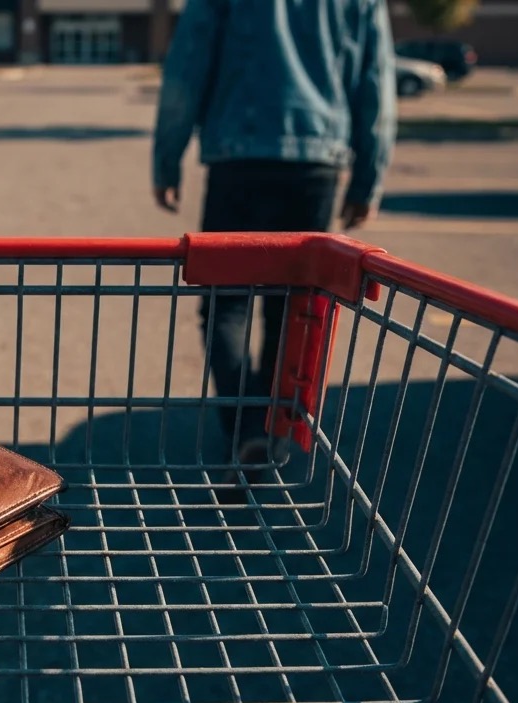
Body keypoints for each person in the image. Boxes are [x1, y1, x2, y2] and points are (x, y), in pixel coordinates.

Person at [150, 0, 395, 467]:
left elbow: (187, 67)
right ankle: (269, 429)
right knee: (290, 308)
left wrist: (168, 158)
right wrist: (369, 178)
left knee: (227, 304)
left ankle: (245, 429)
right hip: (316, 160)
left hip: (237, 156)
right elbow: (375, 81)